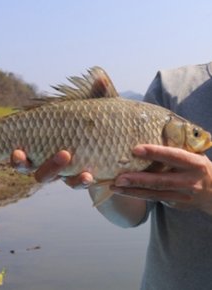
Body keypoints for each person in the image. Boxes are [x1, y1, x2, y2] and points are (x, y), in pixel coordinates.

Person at [11, 62, 212, 290]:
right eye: (196, 134)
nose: (205, 139)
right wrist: (98, 170)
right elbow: (129, 217)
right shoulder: (170, 87)